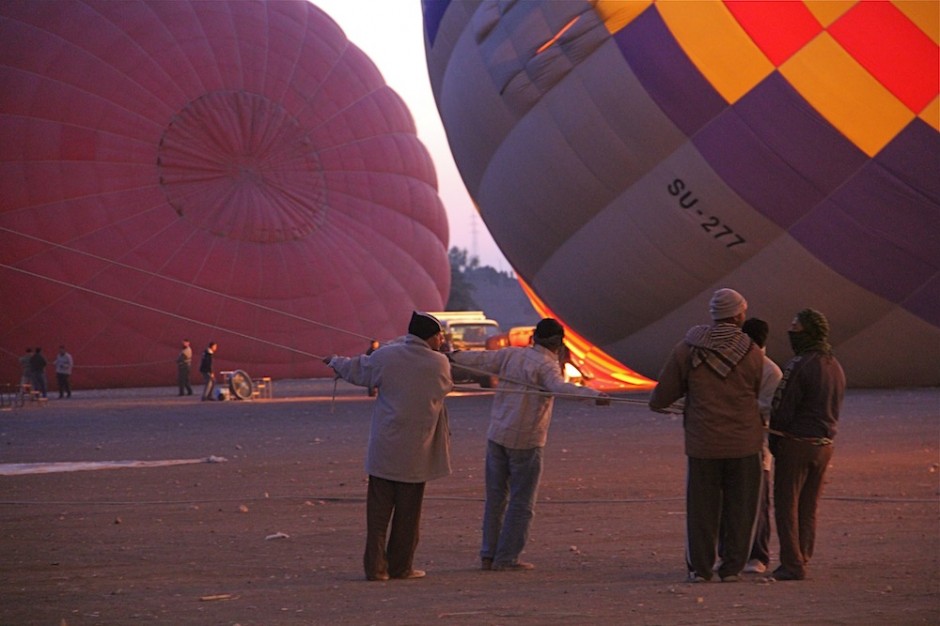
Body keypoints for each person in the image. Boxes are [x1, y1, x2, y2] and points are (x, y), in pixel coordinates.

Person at [449, 318, 609, 572]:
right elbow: (560, 388)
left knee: (496, 498)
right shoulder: (547, 366)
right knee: (521, 502)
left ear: (534, 337)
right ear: (558, 342)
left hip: (498, 434)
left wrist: (448, 356)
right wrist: (595, 397)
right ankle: (506, 558)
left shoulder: (512, 355)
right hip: (526, 441)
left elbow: (479, 359)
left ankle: (489, 555)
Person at [324, 312, 452, 581]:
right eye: (439, 335)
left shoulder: (386, 356)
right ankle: (401, 567)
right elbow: (445, 387)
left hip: (385, 450)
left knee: (378, 517)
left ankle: (375, 569)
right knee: (408, 518)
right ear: (429, 337)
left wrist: (335, 362)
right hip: (417, 452)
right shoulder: (439, 363)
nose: (441, 340)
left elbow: (357, 369)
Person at [648, 288, 764, 583]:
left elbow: (660, 397)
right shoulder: (751, 351)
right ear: (739, 314)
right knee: (742, 509)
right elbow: (757, 391)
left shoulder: (688, 348)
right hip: (744, 443)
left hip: (703, 444)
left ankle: (700, 569)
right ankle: (732, 569)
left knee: (701, 511)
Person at [769, 308, 845, 581]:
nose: (791, 331)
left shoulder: (798, 364)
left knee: (786, 503)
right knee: (808, 505)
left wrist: (774, 440)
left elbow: (783, 407)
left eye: (795, 326)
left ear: (807, 332)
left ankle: (792, 563)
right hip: (825, 445)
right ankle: (804, 554)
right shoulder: (834, 366)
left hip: (797, 443)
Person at [718, 318, 782, 574]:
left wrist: (734, 410)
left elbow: (766, 408)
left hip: (756, 446)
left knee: (756, 504)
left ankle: (757, 556)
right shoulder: (737, 365)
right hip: (729, 443)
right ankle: (730, 554)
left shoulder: (769, 371)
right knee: (729, 502)